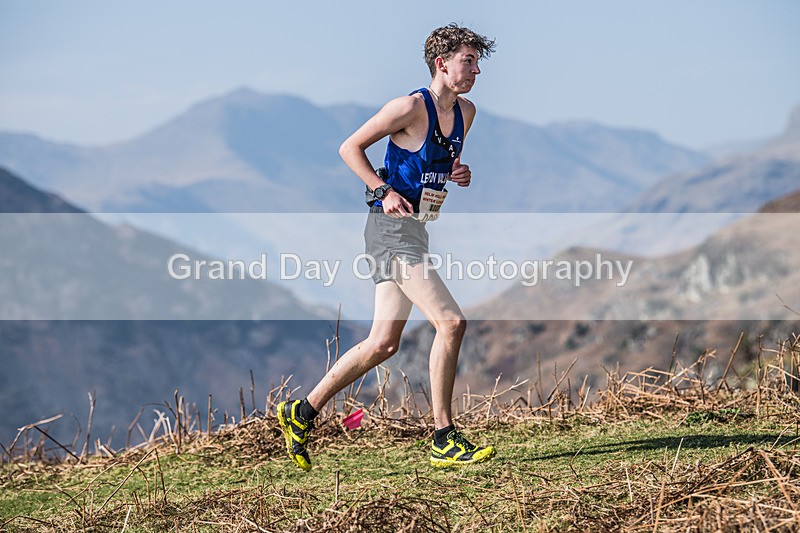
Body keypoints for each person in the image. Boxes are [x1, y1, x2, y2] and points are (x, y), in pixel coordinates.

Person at [277, 23, 496, 470]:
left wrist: (457, 172)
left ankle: (301, 413)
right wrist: (382, 189)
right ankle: (443, 437)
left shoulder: (467, 112)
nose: (475, 70)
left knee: (382, 344)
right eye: (467, 61)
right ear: (442, 63)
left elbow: (439, 160)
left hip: (415, 229)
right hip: (389, 230)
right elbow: (349, 147)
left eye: (477, 62)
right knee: (451, 323)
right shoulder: (409, 106)